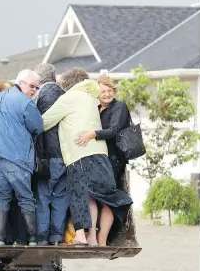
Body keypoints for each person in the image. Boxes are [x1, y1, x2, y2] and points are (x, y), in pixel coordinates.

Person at [41, 77, 134, 247]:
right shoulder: (91, 100)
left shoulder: (69, 97)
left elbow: (44, 122)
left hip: (79, 153)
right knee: (96, 196)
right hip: (101, 154)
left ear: (67, 87)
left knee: (77, 194)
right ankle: (94, 239)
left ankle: (81, 236)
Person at [0, 69, 43, 246]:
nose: (34, 91)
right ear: (21, 82)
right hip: (16, 156)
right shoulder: (25, 103)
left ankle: (0, 239)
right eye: (32, 86)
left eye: (37, 88)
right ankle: (32, 239)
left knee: (1, 196)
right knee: (25, 197)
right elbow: (38, 127)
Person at [74, 75, 133, 245]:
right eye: (103, 92)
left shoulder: (119, 106)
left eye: (109, 91)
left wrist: (92, 134)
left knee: (108, 199)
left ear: (114, 91)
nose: (106, 94)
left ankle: (102, 240)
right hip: (100, 159)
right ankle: (94, 236)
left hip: (114, 160)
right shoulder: (97, 108)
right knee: (94, 196)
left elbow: (113, 130)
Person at [32, 63, 68, 246]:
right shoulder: (64, 95)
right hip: (65, 154)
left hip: (46, 156)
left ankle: (42, 238)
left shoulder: (39, 96)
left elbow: (38, 127)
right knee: (61, 196)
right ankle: (56, 237)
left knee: (43, 197)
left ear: (39, 78)